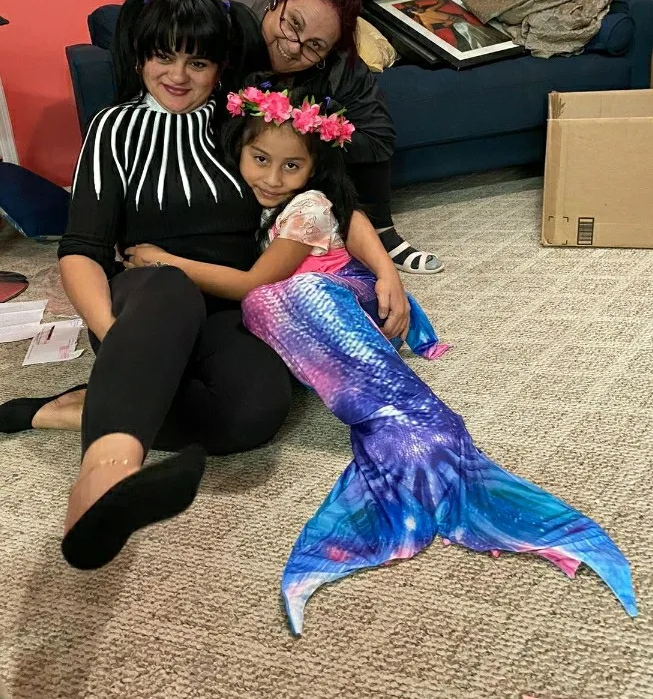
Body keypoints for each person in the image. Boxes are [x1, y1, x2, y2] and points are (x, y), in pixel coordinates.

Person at [126, 80, 636, 635]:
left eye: (292, 166)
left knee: (266, 298)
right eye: (260, 159)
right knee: (270, 306)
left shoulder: (307, 206)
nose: (272, 178)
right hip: (333, 308)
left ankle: (424, 434)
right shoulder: (261, 202)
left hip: (348, 301)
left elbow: (257, 279)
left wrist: (165, 261)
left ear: (313, 170)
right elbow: (349, 218)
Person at [0, 0, 409, 570]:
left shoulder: (246, 118)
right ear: (140, 57)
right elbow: (81, 248)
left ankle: (75, 407)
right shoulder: (112, 129)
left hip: (231, 303)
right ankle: (101, 485)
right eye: (163, 56)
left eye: (197, 61)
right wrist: (117, 337)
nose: (178, 75)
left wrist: (386, 271)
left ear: (219, 66)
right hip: (146, 299)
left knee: (254, 412)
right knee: (171, 284)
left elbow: (328, 199)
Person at [206, 0, 444, 275]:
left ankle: (380, 231)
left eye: (314, 46)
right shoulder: (226, 10)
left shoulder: (342, 64)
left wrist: (311, 132)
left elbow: (378, 138)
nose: (293, 47)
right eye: (293, 23)